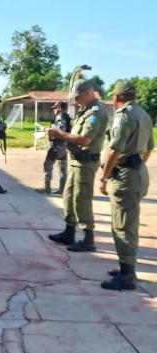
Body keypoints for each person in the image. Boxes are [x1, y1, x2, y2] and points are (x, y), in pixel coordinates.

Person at [98, 80, 153, 290]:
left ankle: (127, 275)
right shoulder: (144, 114)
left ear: (116, 97)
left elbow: (114, 150)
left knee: (122, 225)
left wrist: (104, 176)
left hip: (125, 176)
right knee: (129, 222)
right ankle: (126, 267)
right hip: (138, 172)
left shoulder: (123, 116)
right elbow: (149, 147)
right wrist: (137, 165)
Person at [48, 79, 108, 252]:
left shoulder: (96, 112)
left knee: (82, 199)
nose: (75, 100)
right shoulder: (85, 110)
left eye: (78, 96)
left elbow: (85, 139)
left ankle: (88, 238)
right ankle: (69, 232)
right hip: (76, 160)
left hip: (86, 162)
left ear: (88, 93)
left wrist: (59, 134)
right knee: (69, 197)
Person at [36, 101, 71, 194]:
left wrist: (48, 130)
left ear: (59, 107)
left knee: (48, 165)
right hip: (64, 146)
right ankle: (62, 189)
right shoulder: (67, 116)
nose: (54, 110)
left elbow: (60, 130)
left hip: (57, 145)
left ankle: (47, 187)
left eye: (55, 108)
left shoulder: (61, 116)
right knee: (63, 167)